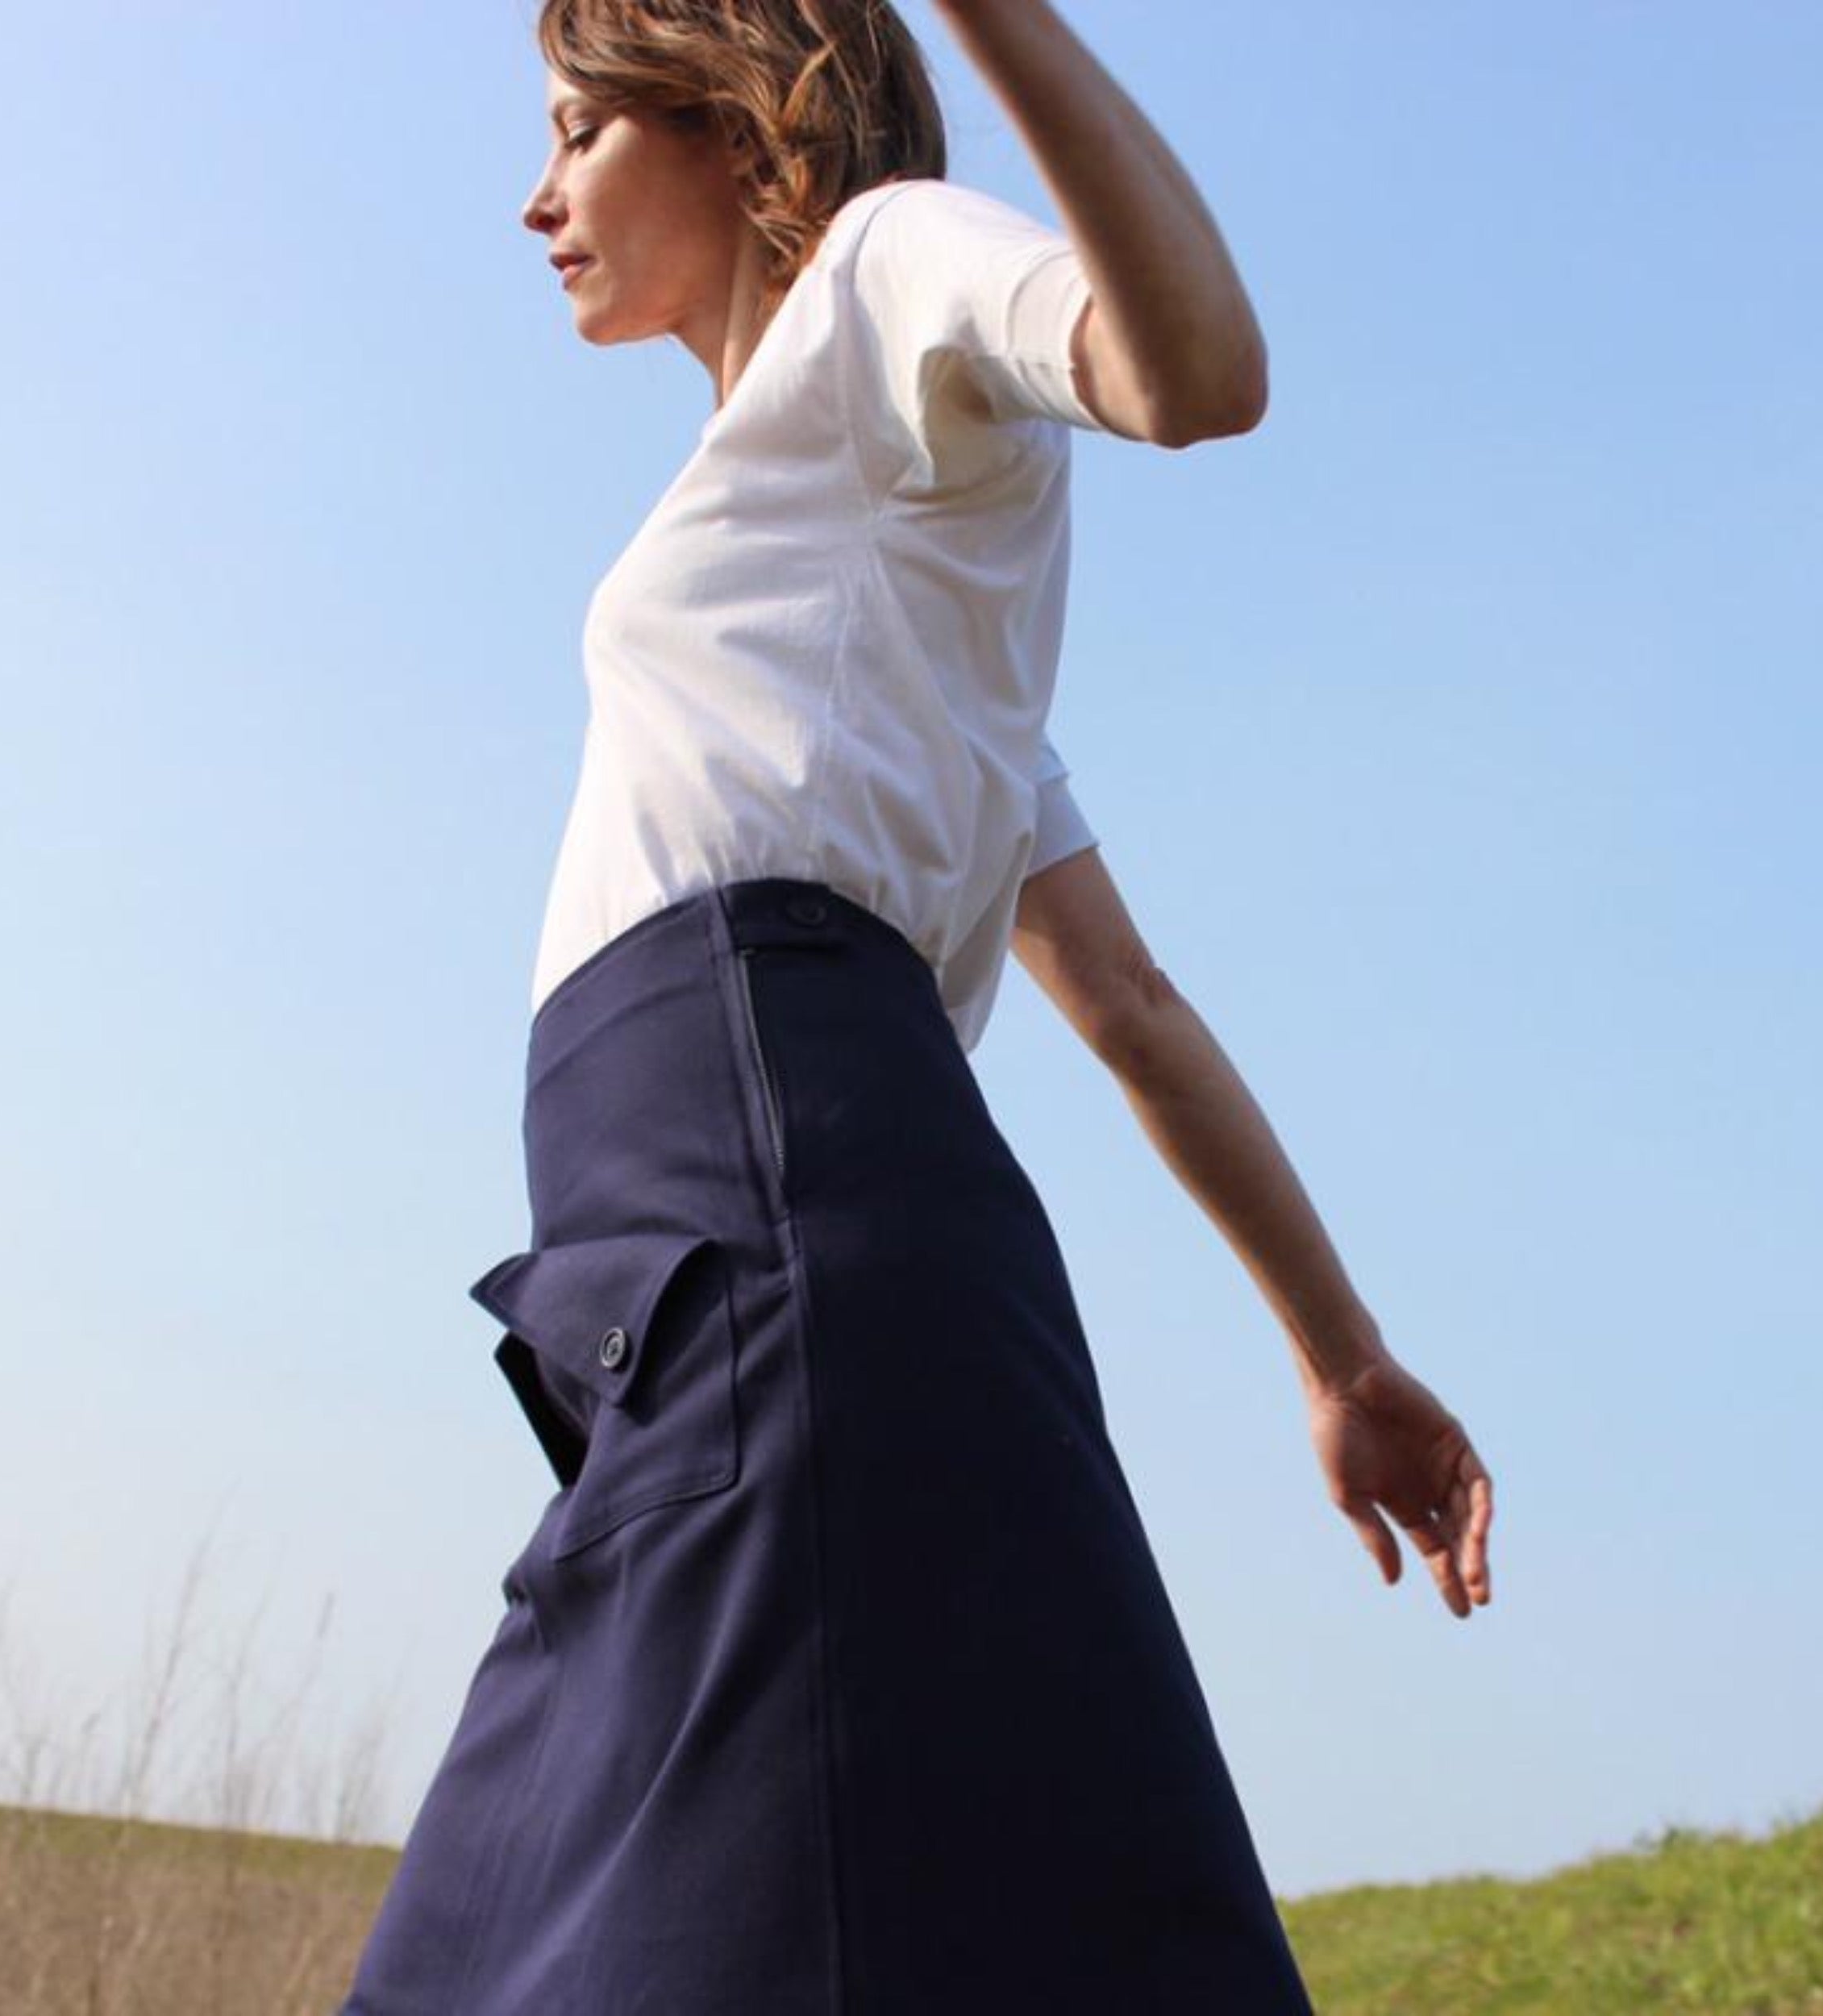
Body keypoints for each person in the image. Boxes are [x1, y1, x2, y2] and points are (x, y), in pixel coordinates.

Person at [339, 2, 1494, 2010]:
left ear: (734, 116)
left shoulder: (882, 264)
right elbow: (1125, 1006)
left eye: (578, 131)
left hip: (770, 1188)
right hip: (731, 1248)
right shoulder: (876, 587)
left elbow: (1195, 376)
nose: (536, 199)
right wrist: (1339, 1351)